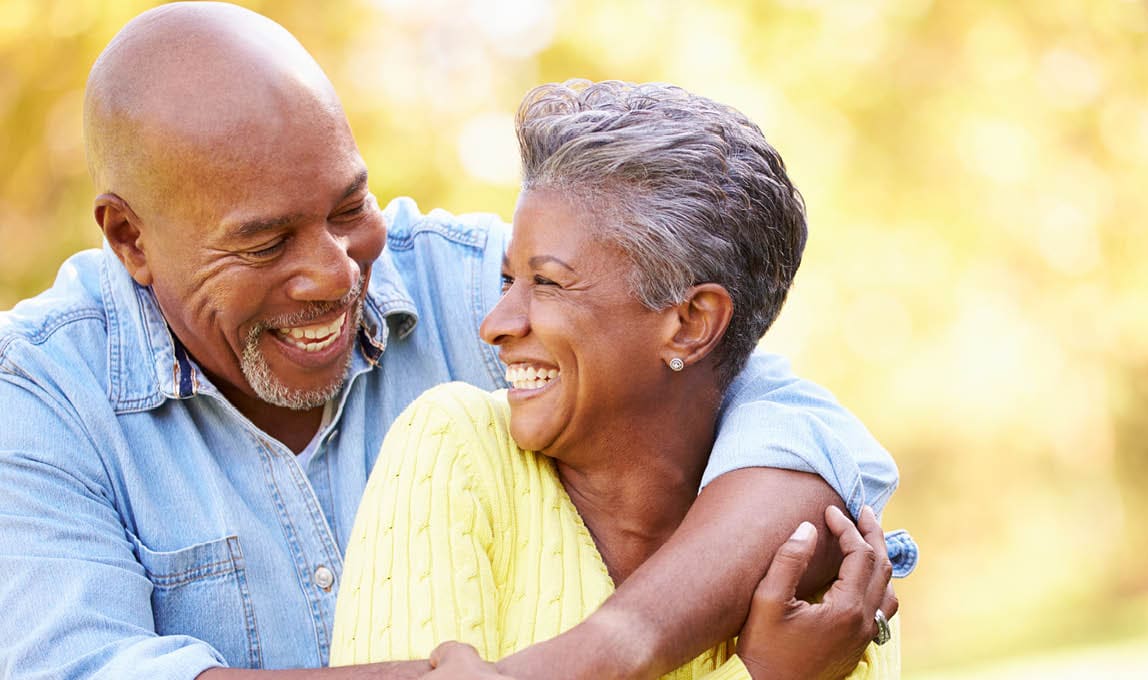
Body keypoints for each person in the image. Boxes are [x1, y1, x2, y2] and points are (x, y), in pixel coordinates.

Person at [0, 3, 913, 679]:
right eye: (265, 241)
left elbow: (783, 426)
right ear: (129, 240)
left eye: (347, 207)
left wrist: (611, 647)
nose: (333, 274)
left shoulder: (469, 281)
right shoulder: (39, 398)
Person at [329, 80, 903, 679]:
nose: (495, 325)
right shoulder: (455, 446)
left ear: (690, 323)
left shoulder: (826, 560)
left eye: (547, 282)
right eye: (507, 281)